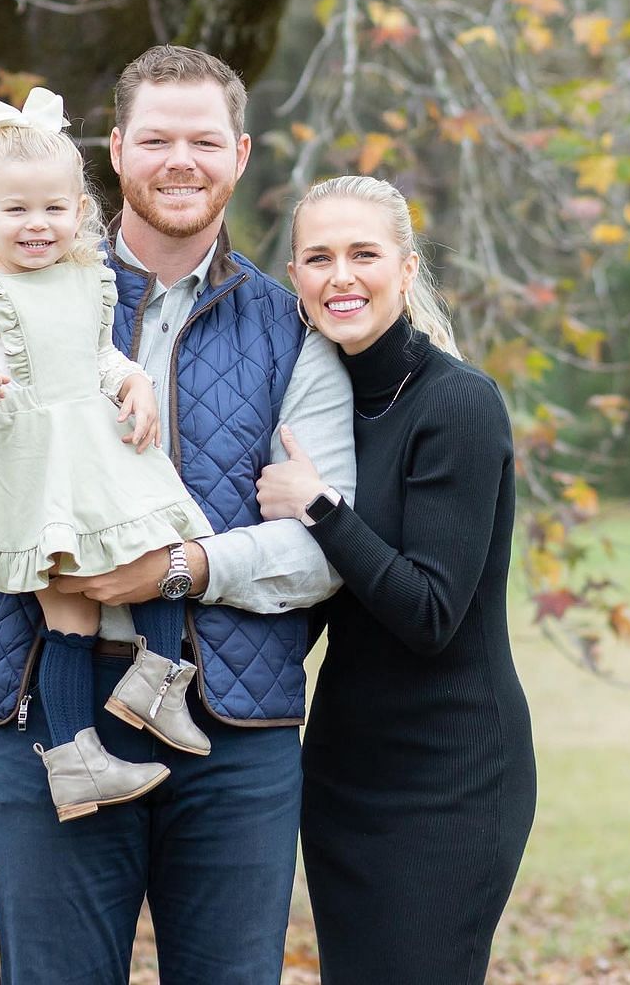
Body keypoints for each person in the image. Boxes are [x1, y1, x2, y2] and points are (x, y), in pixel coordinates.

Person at [0, 46, 356, 984]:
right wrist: (46, 548)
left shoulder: (293, 329)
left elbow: (322, 546)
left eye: (202, 140)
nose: (178, 160)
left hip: (232, 723)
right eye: (155, 138)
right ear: (115, 150)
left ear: (238, 153)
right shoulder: (6, 297)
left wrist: (175, 570)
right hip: (47, 712)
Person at [257, 175, 537, 984]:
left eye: (363, 254)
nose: (340, 276)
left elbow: (430, 612)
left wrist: (321, 508)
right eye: (318, 258)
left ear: (406, 270)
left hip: (451, 776)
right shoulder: (320, 404)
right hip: (344, 773)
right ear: (296, 278)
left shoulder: (459, 404)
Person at [0, 86, 216, 822]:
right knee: (69, 614)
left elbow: (99, 359)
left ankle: (156, 676)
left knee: (156, 536)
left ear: (80, 211)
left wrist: (134, 378)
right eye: (16, 211)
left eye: (53, 208)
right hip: (28, 471)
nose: (37, 225)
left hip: (95, 452)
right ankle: (76, 759)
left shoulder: (91, 280)